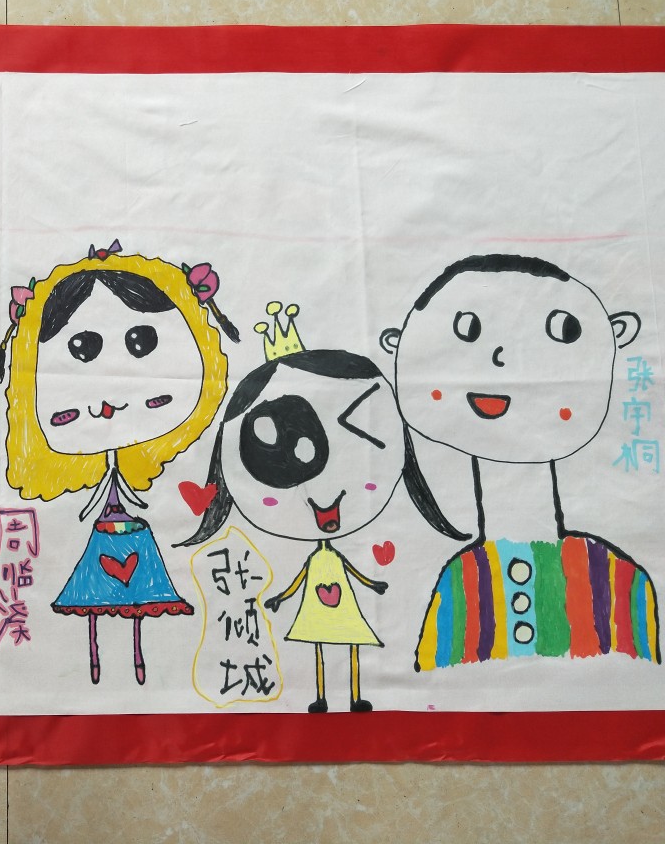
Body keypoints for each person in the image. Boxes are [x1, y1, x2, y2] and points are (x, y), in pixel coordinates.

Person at [380, 254, 659, 670]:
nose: (501, 357)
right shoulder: (458, 587)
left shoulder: (617, 583)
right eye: (467, 329)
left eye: (562, 330)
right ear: (398, 345)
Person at [181, 301, 464, 711]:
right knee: (321, 644)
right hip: (320, 608)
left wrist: (371, 585)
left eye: (361, 429)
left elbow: (342, 574)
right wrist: (283, 598)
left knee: (344, 643)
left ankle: (351, 695)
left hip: (337, 606)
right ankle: (324, 696)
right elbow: (304, 580)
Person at [0, 241, 234, 684]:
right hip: (107, 535)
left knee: (137, 599)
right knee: (96, 600)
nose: (111, 395)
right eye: (81, 348)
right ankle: (98, 661)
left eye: (142, 341)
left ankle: (131, 661)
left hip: (130, 534)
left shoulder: (174, 462)